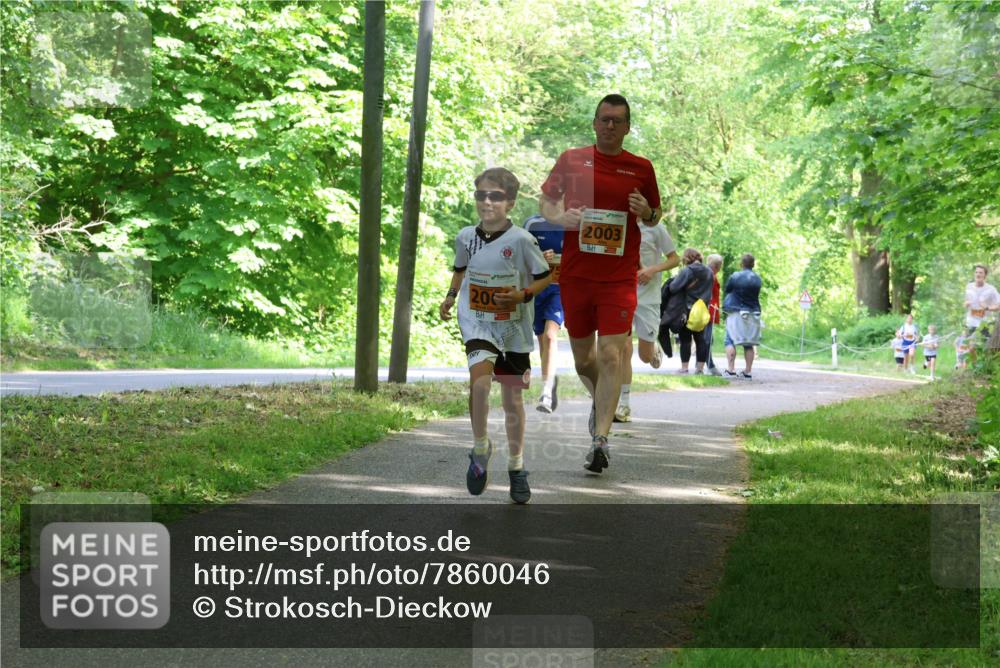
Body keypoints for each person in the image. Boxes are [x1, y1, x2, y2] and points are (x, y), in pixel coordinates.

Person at [539, 93, 662, 474]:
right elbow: (545, 202)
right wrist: (562, 219)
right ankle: (602, 403)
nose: (610, 126)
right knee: (584, 359)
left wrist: (647, 211)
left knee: (611, 355)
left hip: (618, 278)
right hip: (576, 275)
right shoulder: (572, 159)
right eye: (604, 119)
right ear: (595, 123)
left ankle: (601, 440)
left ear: (627, 127)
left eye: (617, 121)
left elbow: (655, 216)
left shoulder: (640, 167)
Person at [439, 167, 552, 504]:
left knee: (511, 400)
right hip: (476, 321)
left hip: (513, 327)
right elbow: (460, 268)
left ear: (510, 202)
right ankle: (480, 447)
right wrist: (449, 295)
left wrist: (522, 294)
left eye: (495, 196)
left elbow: (545, 276)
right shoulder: (465, 237)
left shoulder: (521, 240)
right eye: (481, 195)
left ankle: (516, 468)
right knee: (479, 383)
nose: (487, 202)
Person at [615, 222, 679, 422]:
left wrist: (652, 270)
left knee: (645, 356)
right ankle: (623, 404)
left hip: (648, 298)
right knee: (623, 348)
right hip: (620, 296)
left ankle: (654, 348)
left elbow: (675, 259)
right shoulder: (617, 222)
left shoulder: (655, 227)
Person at [523, 214, 565, 414]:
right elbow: (520, 256)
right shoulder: (533, 224)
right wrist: (538, 256)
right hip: (538, 286)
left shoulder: (576, 223)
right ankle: (550, 378)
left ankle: (546, 392)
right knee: (542, 340)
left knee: (550, 335)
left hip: (560, 288)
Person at [667, 248, 714, 374]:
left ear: (687, 258)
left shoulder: (687, 271)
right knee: (701, 340)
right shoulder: (709, 272)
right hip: (702, 310)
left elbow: (673, 287)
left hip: (686, 309)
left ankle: (684, 367)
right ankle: (699, 369)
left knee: (685, 339)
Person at [723, 253, 762, 380]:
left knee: (730, 340)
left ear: (741, 264)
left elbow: (728, 289)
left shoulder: (736, 276)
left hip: (736, 311)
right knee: (748, 343)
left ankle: (731, 369)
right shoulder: (757, 278)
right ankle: (748, 371)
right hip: (753, 312)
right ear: (753, 264)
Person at [964, 264, 1000, 364]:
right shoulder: (969, 286)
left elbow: (998, 306)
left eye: (980, 272)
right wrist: (966, 304)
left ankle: (986, 368)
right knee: (971, 347)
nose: (978, 274)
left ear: (985, 275)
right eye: (976, 272)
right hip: (971, 321)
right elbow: (966, 301)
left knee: (987, 349)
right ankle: (975, 368)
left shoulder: (991, 289)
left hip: (986, 323)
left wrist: (987, 307)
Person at [704, 254, 724, 376]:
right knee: (707, 339)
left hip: (710, 310)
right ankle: (709, 365)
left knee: (707, 339)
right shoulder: (710, 275)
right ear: (717, 265)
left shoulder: (710, 274)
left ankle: (706, 364)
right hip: (708, 311)